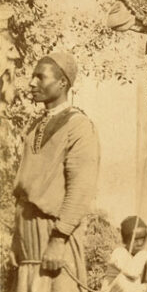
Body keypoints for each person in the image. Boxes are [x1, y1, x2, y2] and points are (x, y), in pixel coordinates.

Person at [10, 52, 100, 292]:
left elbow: (80, 189)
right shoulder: (34, 127)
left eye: (40, 77)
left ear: (62, 83)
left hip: (54, 236)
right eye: (32, 77)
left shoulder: (78, 125)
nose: (32, 83)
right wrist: (17, 242)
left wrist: (58, 239)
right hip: (27, 239)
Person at [101, 216, 147, 292]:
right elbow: (132, 273)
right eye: (136, 239)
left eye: (143, 238)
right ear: (125, 241)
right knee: (125, 282)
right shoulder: (119, 253)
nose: (140, 243)